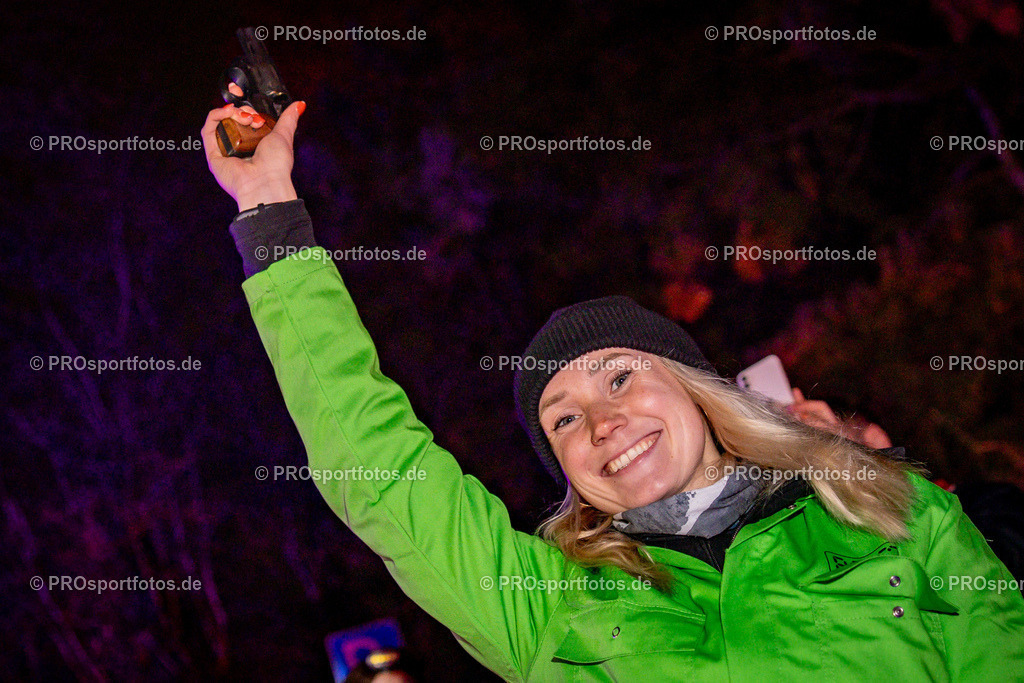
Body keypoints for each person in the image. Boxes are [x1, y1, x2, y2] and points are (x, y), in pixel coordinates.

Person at [202, 102, 1024, 681]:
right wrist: (269, 209)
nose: (601, 420)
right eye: (562, 419)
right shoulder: (546, 606)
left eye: (622, 375)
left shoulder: (895, 514)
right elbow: (376, 464)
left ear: (698, 389)